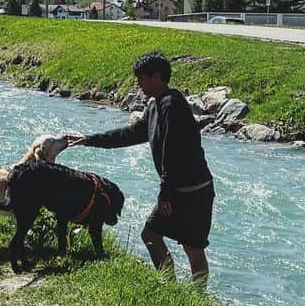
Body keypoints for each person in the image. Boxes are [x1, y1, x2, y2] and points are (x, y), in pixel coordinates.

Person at [65, 51, 214, 284]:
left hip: (194, 191)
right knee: (151, 235)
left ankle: (198, 297)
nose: (139, 85)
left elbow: (172, 154)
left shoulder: (172, 105)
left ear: (157, 78)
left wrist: (165, 194)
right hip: (175, 188)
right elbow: (130, 134)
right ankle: (170, 287)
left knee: (192, 247)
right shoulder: (154, 106)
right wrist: (88, 139)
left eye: (142, 79)